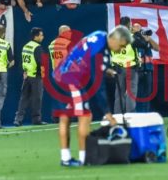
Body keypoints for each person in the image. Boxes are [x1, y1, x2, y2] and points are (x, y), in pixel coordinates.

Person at [54, 26, 131, 167]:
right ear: (115, 39)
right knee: (86, 116)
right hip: (72, 79)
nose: (120, 50)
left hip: (60, 74)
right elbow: (98, 87)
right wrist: (108, 114)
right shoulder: (101, 52)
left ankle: (65, 158)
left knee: (65, 118)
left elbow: (85, 57)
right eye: (121, 46)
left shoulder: (100, 34)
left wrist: (104, 69)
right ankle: (84, 159)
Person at [14, 27, 46, 126]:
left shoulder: (26, 46)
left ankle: (18, 120)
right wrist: (43, 75)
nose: (42, 37)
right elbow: (41, 62)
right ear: (36, 36)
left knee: (24, 98)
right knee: (37, 99)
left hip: (27, 75)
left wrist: (24, 72)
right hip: (36, 76)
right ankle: (36, 119)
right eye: (41, 35)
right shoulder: (37, 47)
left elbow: (22, 61)